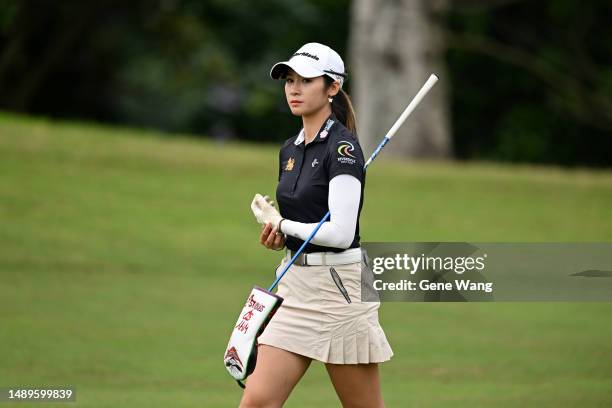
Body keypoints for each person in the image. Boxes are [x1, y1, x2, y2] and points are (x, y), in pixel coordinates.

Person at [242, 42, 393, 408]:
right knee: (256, 403)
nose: (294, 88)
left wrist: (284, 223)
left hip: (339, 291)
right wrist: (281, 236)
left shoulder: (343, 149)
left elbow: (340, 234)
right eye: (289, 80)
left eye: (306, 80)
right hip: (295, 288)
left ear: (332, 88)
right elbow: (302, 222)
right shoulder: (290, 149)